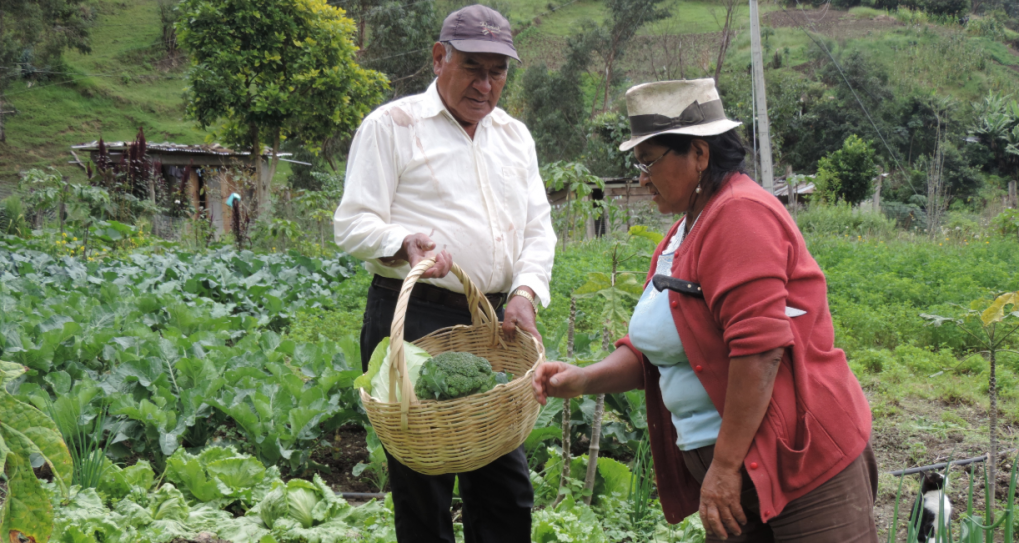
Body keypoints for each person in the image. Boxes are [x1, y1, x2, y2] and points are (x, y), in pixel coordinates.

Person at [532, 79, 877, 543]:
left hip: (798, 467)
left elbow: (759, 349)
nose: (640, 178)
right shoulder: (682, 234)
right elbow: (655, 348)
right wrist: (584, 379)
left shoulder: (739, 216)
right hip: (738, 474)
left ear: (699, 153)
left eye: (649, 161)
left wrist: (726, 465)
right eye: (638, 163)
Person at [333, 5, 555, 542]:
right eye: (472, 67)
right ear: (439, 58)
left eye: (497, 71)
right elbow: (352, 222)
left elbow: (538, 230)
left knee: (505, 487)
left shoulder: (513, 136)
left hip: (490, 323)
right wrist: (401, 242)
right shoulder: (393, 125)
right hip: (414, 319)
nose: (485, 84)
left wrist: (525, 291)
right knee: (422, 486)